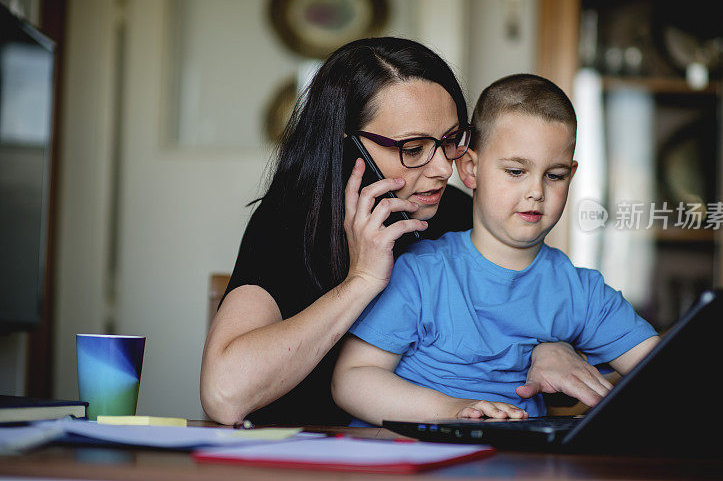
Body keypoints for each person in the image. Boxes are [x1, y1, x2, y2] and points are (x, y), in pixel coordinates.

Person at [200, 39, 605, 426]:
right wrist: (362, 280)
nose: (444, 169)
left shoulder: (463, 216)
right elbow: (225, 395)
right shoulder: (290, 220)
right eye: (413, 149)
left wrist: (552, 347)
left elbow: (542, 302)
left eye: (451, 141)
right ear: (348, 145)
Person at [332, 74, 661, 425]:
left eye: (555, 175)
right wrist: (453, 411)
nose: (536, 191)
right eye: (516, 171)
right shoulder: (421, 271)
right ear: (471, 169)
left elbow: (667, 375)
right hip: (411, 459)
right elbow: (352, 379)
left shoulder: (584, 293)